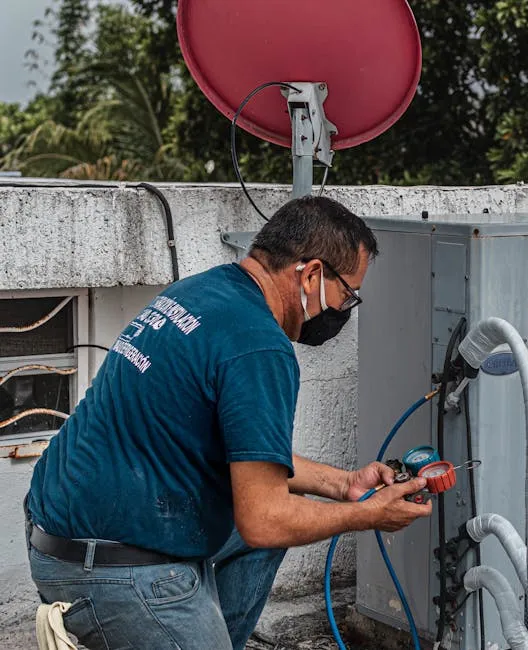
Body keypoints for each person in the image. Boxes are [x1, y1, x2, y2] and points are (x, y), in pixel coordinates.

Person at [24, 196, 432, 650]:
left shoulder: (199, 292)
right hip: (111, 567)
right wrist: (367, 514)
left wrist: (344, 484)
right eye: (348, 295)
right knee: (272, 524)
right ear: (313, 274)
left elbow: (251, 461)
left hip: (58, 529)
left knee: (263, 528)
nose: (345, 309)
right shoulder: (260, 347)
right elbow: (265, 519)